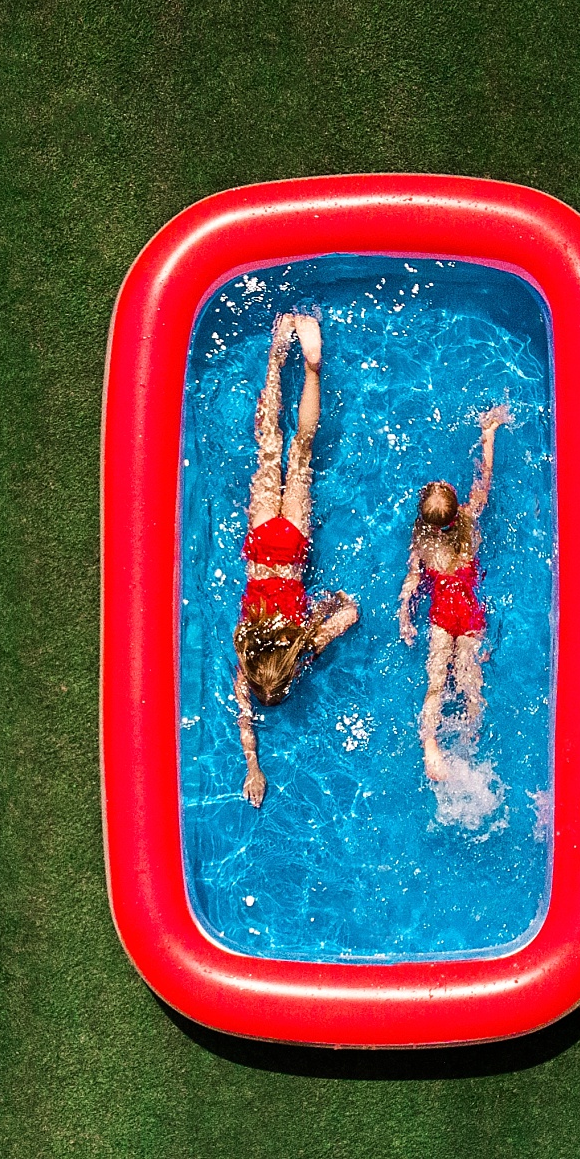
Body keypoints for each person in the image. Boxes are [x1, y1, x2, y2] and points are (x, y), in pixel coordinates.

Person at [233, 310, 359, 806]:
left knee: (301, 451)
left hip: (293, 547)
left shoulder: (304, 643)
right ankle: (280, 355)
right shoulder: (245, 647)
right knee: (272, 444)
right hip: (264, 542)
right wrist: (252, 764)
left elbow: (350, 611)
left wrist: (330, 605)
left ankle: (310, 369)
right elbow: (244, 715)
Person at [399, 405, 515, 781]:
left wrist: (405, 617)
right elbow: (485, 478)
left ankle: (430, 745)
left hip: (440, 617)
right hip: (469, 616)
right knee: (469, 683)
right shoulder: (469, 521)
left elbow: (412, 582)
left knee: (435, 683)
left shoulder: (421, 541)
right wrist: (488, 434)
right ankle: (470, 737)